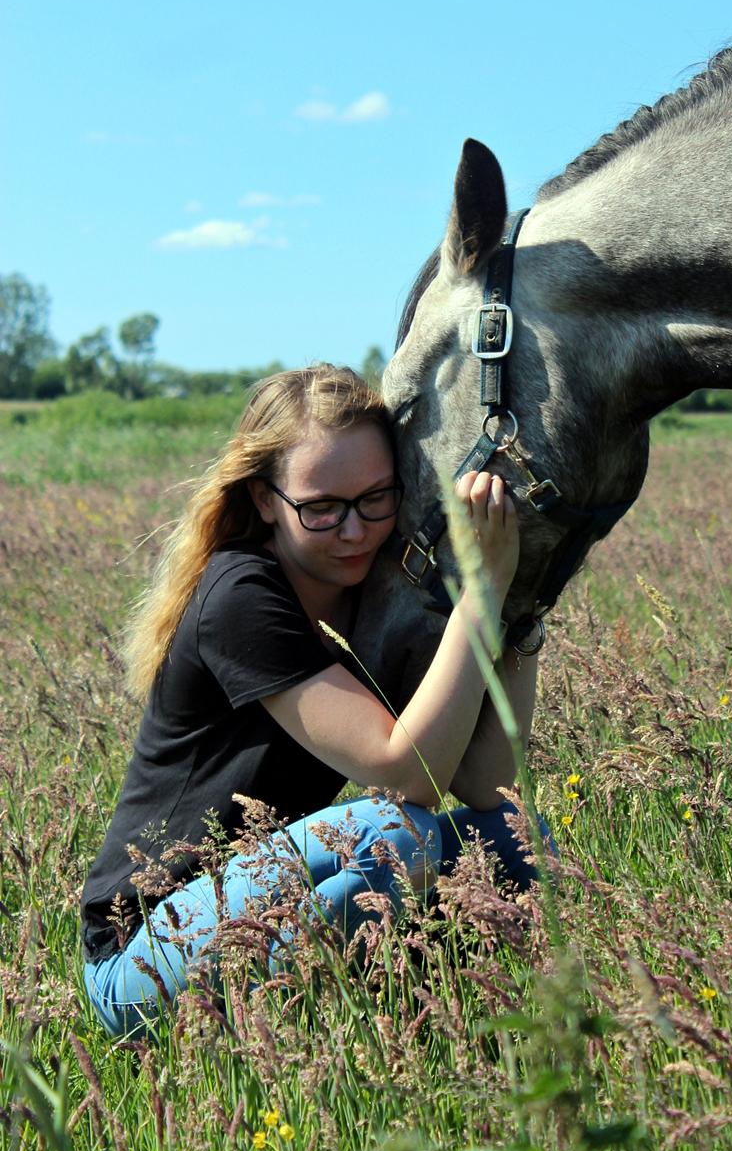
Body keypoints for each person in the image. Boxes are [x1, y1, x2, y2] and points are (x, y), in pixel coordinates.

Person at [80, 364, 545, 1039]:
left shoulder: (376, 595)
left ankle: (450, 1028)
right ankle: (288, 1042)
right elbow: (408, 772)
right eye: (321, 508)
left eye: (376, 499)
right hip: (143, 959)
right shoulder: (240, 595)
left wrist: (519, 617)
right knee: (394, 835)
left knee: (516, 840)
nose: (354, 530)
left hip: (260, 906)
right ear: (266, 500)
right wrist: (480, 594)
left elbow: (484, 784)